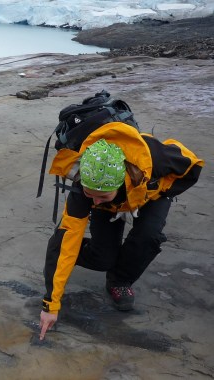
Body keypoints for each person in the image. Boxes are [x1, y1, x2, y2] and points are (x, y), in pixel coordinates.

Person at [38, 121, 203, 341]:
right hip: (115, 199)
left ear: (120, 183)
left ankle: (119, 280)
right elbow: (70, 232)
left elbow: (193, 165)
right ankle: (61, 254)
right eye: (90, 194)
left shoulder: (158, 159)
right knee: (99, 256)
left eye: (101, 195)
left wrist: (162, 191)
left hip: (150, 190)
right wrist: (51, 304)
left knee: (149, 236)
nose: (94, 201)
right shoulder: (84, 188)